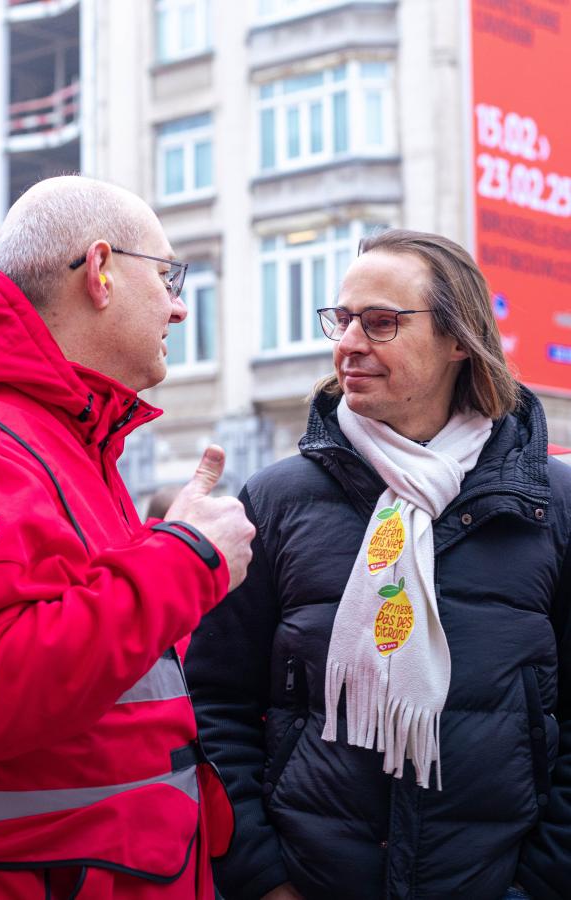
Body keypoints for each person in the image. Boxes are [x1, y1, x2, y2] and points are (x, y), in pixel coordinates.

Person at [185, 229, 571, 900]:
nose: (348, 343)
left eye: (381, 322)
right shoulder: (277, 500)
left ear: (459, 339)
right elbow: (215, 702)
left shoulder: (549, 502)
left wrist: (540, 884)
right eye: (342, 319)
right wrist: (263, 878)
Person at [0, 175, 255, 899]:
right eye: (167, 276)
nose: (180, 306)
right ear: (100, 271)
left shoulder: (64, 434)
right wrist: (188, 557)